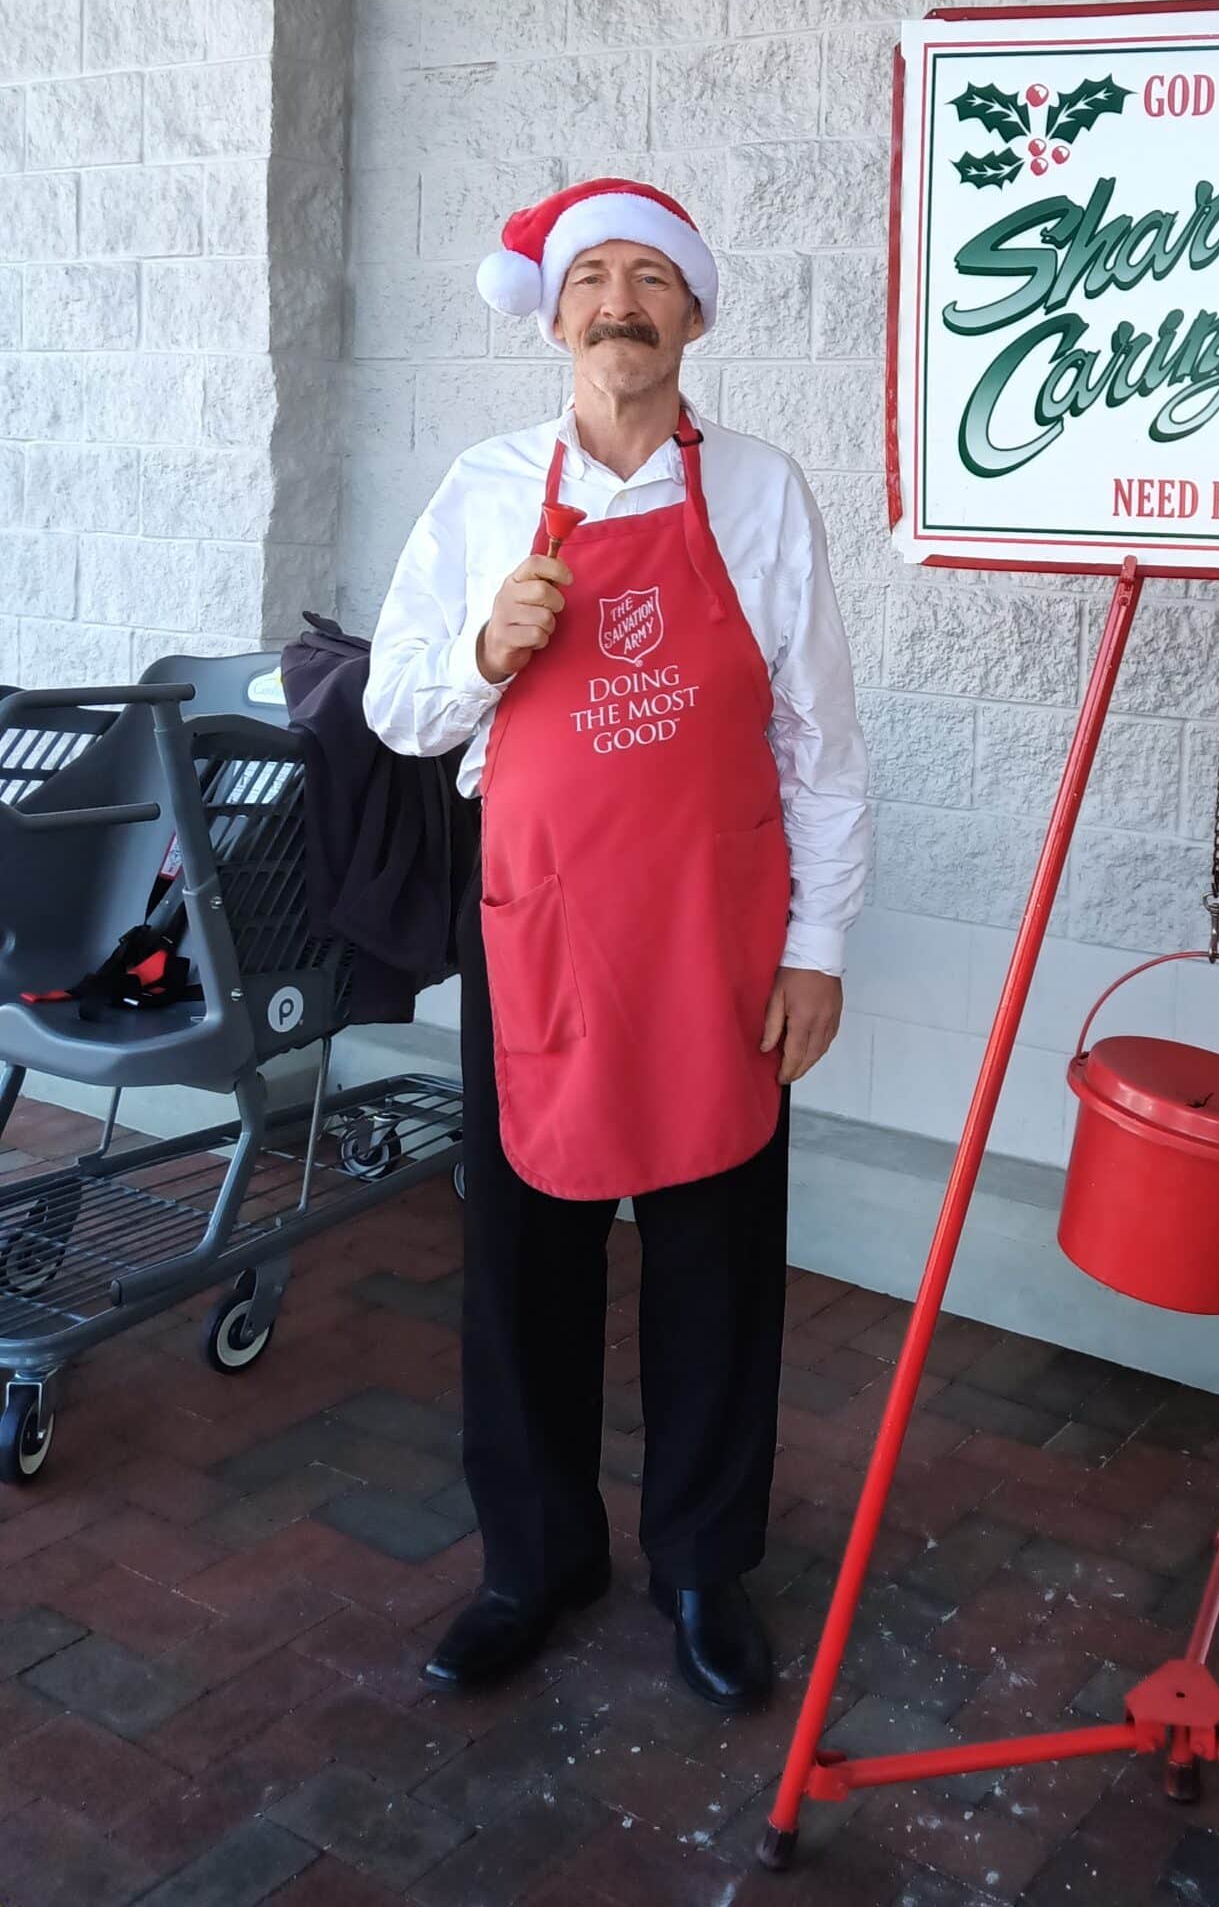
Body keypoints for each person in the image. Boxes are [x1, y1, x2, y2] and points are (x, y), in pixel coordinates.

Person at [366, 177, 872, 1707]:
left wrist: (820, 945)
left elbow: (823, 746)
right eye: (593, 277)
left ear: (694, 315)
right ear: (557, 317)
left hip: (721, 942)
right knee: (526, 1254)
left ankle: (705, 1564)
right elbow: (398, 709)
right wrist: (483, 650)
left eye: (652, 277)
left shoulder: (765, 492)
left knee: (716, 1259)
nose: (620, 303)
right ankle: (535, 1556)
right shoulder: (481, 488)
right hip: (546, 940)